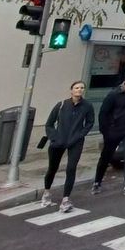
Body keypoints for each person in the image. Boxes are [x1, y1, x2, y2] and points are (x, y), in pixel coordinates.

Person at [92, 70, 125, 196]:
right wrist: (105, 131)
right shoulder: (114, 94)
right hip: (114, 130)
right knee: (106, 156)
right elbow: (103, 113)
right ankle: (97, 182)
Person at [42, 81, 94, 213]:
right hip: (59, 141)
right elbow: (49, 124)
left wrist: (80, 135)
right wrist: (55, 137)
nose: (79, 90)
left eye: (82, 88)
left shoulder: (87, 106)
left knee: (71, 168)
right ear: (71, 90)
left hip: (75, 141)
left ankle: (65, 199)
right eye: (77, 88)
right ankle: (47, 192)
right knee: (52, 168)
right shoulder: (61, 105)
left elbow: (89, 123)